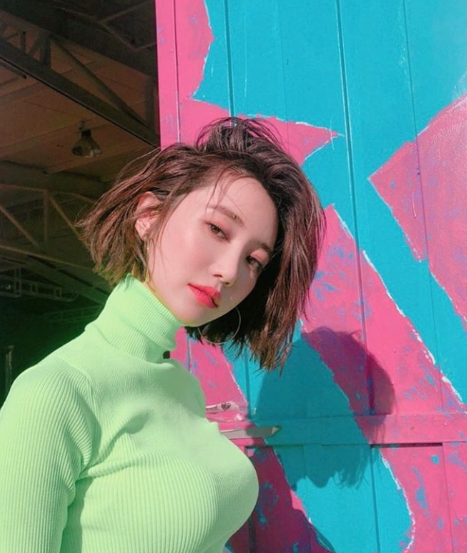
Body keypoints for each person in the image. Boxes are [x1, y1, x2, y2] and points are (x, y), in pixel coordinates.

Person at [0, 117, 324, 553]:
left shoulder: (181, 387)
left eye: (253, 260)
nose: (230, 271)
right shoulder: (57, 391)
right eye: (217, 229)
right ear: (149, 216)